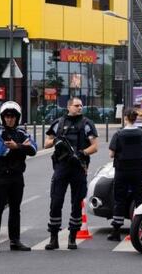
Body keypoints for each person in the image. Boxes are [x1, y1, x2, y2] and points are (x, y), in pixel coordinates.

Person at [43, 96, 98, 250]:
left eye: (81, 105)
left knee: (76, 203)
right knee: (56, 201)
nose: (79, 108)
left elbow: (94, 147)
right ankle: (53, 238)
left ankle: (72, 238)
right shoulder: (58, 123)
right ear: (69, 107)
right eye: (76, 105)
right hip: (61, 167)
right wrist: (55, 142)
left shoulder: (87, 124)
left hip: (79, 167)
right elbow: (46, 143)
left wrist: (81, 153)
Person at [0, 101, 37, 253]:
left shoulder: (22, 133)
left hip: (17, 176)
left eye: (13, 116)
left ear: (17, 118)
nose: (10, 119)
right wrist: (22, 147)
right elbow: (1, 150)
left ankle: (15, 241)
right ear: (2, 117)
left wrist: (17, 146)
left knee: (15, 210)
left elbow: (34, 149)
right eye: (7, 116)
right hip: (1, 176)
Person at [106, 108, 142, 241]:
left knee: (120, 200)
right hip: (138, 170)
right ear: (136, 118)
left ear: (125, 118)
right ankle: (141, 228)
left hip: (122, 170)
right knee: (139, 199)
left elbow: (112, 154)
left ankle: (116, 231)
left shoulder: (118, 134)